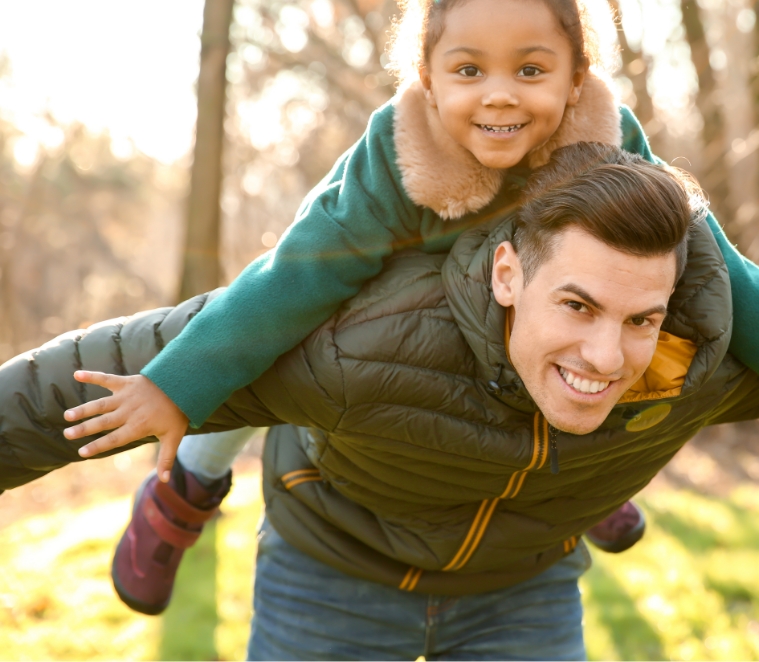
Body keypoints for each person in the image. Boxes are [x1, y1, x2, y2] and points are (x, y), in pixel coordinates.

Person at [66, 0, 759, 614]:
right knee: (280, 350)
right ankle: (187, 485)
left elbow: (715, 267)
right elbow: (284, 286)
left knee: (602, 328)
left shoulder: (608, 140)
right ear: (425, 78)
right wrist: (173, 383)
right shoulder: (393, 163)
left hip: (518, 334)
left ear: (576, 78)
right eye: (467, 71)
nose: (498, 96)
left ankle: (584, 487)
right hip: (370, 303)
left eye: (529, 71)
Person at [2, 143, 757, 660]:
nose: (606, 353)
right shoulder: (362, 341)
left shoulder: (696, 363)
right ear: (506, 276)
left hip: (523, 582)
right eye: (576, 306)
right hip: (335, 568)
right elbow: (74, 382)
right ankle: (187, 489)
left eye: (639, 320)